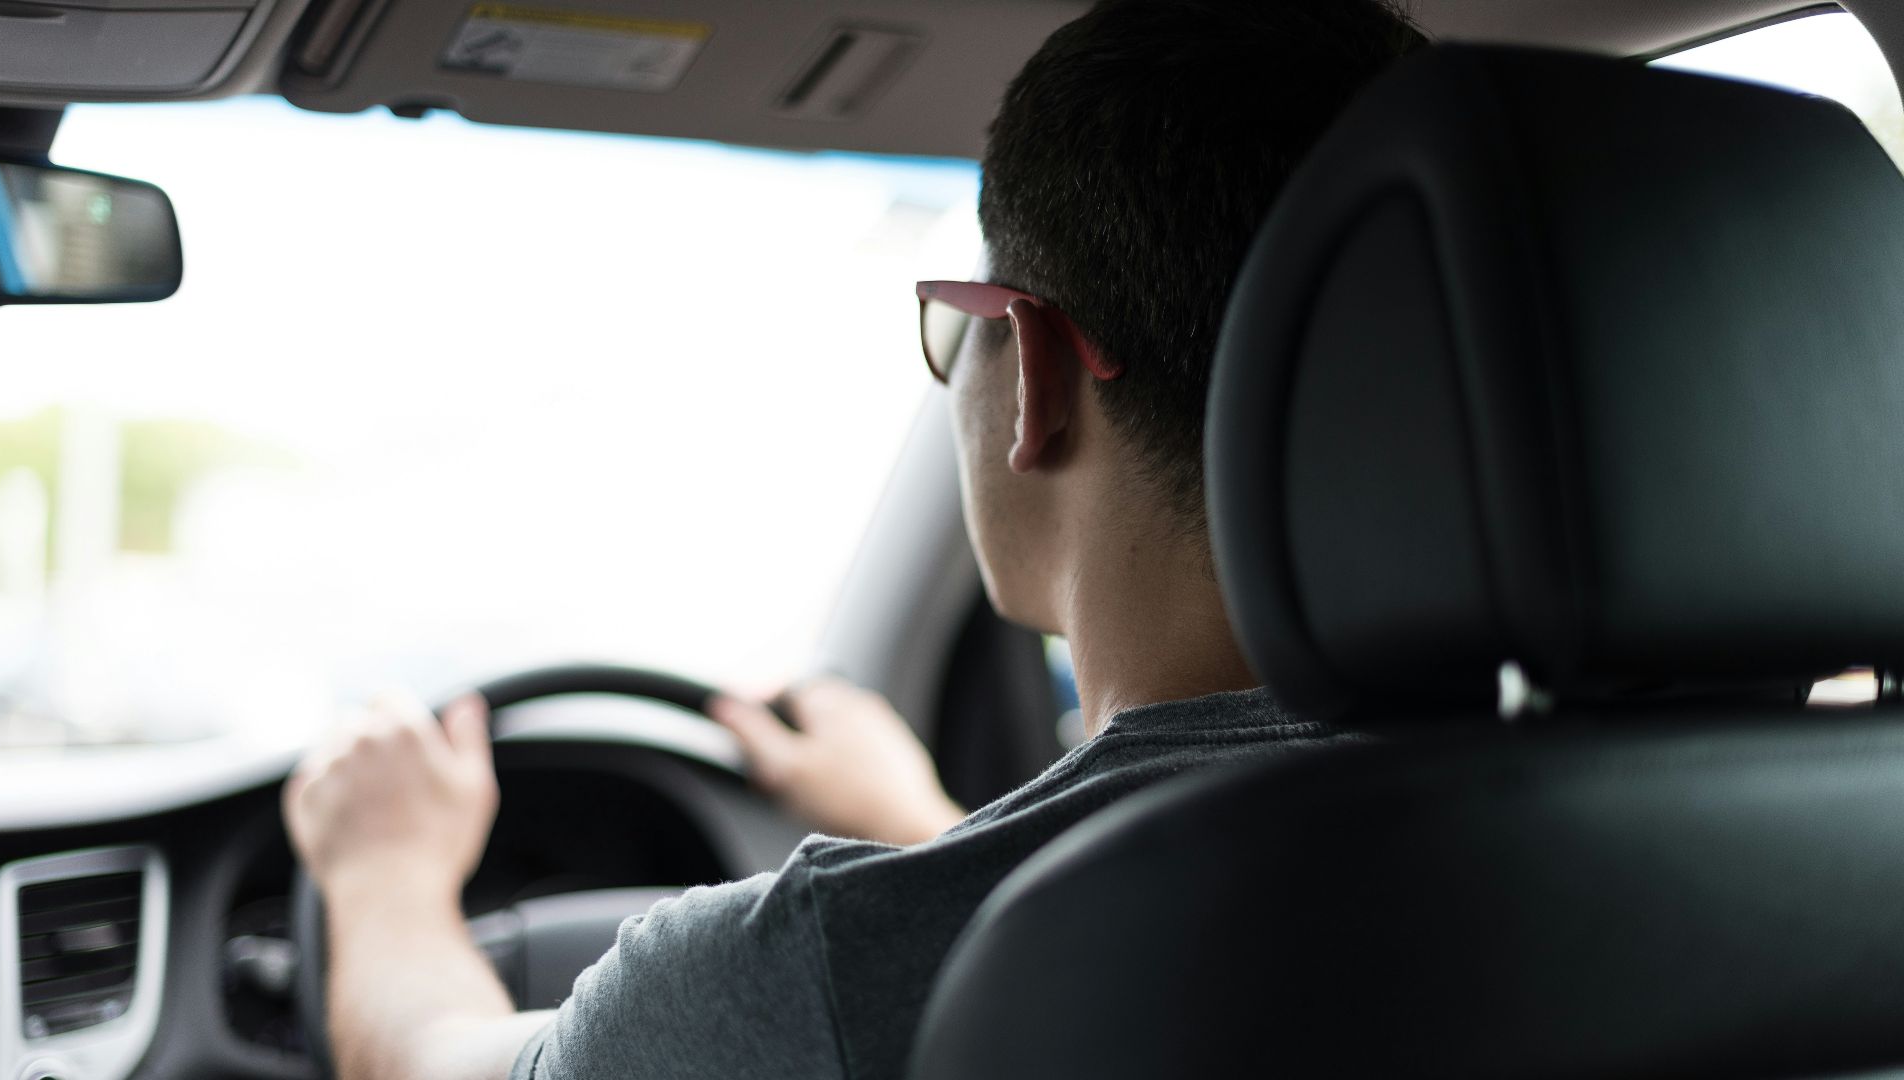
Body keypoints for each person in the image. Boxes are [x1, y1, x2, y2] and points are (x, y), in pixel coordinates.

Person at [280, 2, 1429, 1077]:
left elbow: (430, 1058)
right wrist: (923, 828)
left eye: (957, 326)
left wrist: (383, 874)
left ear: (1034, 375)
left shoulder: (822, 960)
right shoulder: (1508, 826)